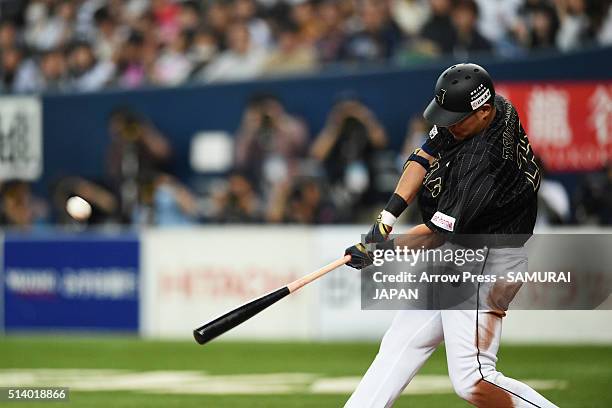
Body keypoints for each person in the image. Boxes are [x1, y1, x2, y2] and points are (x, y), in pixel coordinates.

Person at [344, 63, 558, 407]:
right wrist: (385, 220)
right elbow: (423, 156)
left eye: (454, 119)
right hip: (464, 252)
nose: (447, 125)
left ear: (483, 112)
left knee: (475, 379)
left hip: (485, 263)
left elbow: (433, 236)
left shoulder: (483, 163)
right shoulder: (493, 107)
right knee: (402, 342)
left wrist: (378, 249)